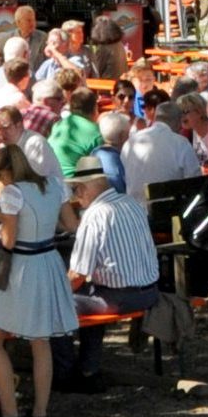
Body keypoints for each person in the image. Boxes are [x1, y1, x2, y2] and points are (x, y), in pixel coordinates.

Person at [0, 138, 78, 417]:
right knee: (41, 340)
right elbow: (71, 225)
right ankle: (40, 412)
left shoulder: (12, 193)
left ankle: (9, 412)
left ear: (3, 173)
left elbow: (8, 239)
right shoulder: (53, 185)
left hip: (22, 264)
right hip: (49, 260)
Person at [55, 154, 161, 393]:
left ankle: (65, 375)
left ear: (83, 188)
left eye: (75, 190)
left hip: (120, 297)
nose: (75, 196)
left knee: (58, 305)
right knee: (89, 294)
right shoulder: (131, 203)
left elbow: (77, 274)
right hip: (150, 291)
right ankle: (88, 368)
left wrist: (53, 293)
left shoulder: (95, 216)